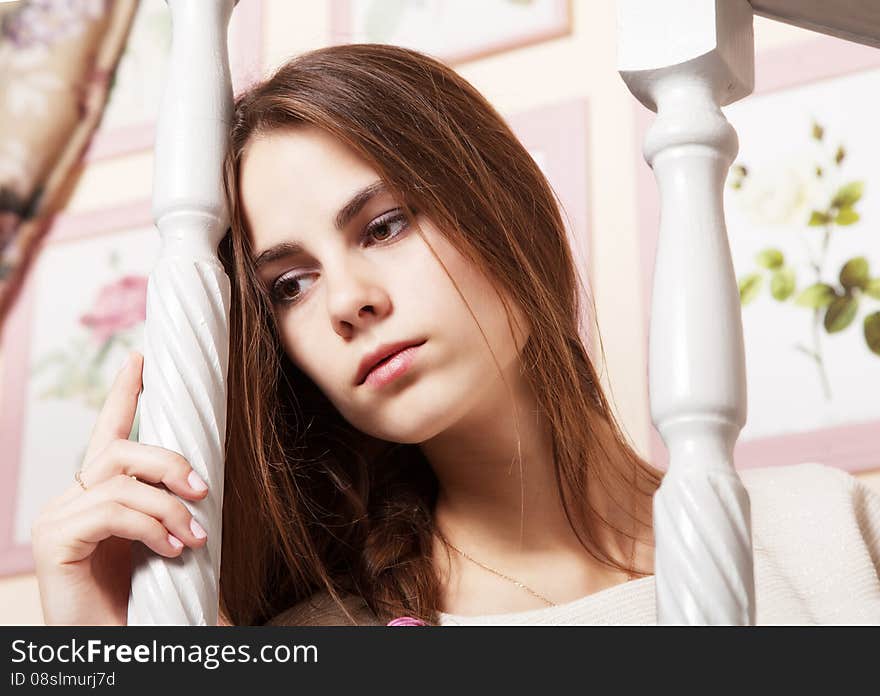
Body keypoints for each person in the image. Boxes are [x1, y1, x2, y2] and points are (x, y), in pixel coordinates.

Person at [32, 44, 880, 627]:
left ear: (505, 206)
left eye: (384, 225)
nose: (347, 302)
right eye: (290, 285)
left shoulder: (835, 531)